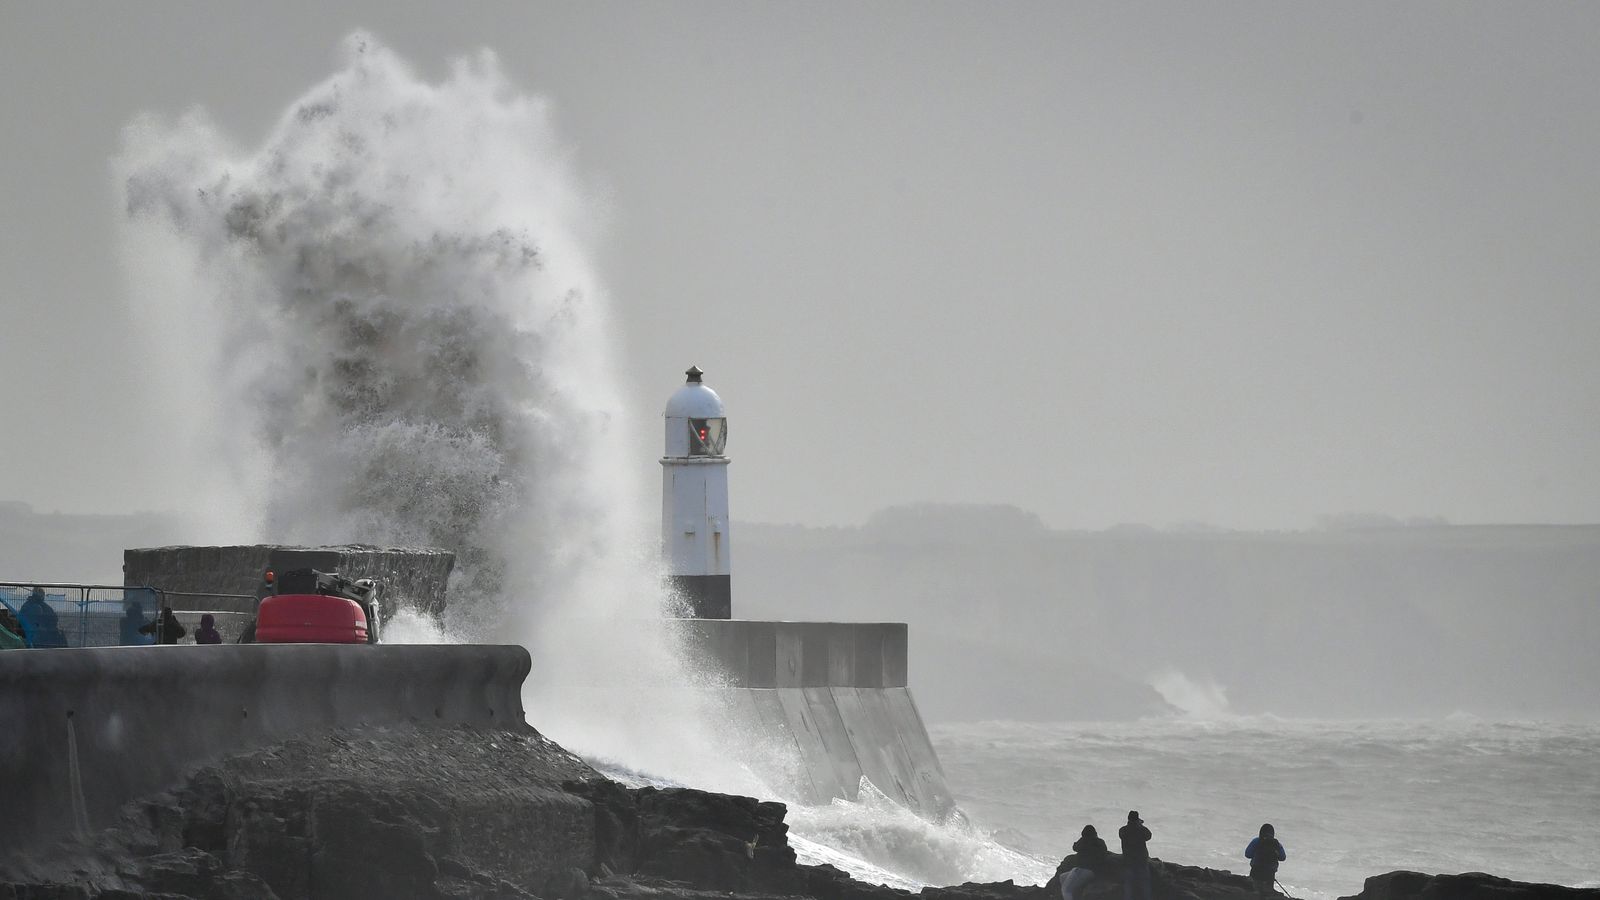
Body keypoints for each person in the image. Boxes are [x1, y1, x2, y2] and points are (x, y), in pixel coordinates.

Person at [1057, 824, 1109, 900]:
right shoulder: (1100, 842)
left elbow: (1075, 847)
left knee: (1066, 890)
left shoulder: (1084, 840)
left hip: (1082, 869)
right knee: (1062, 877)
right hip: (1093, 871)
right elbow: (1104, 853)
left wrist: (1081, 840)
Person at [1244, 823, 1286, 898]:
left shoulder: (1256, 841)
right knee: (1267, 895)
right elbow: (1283, 857)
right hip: (1270, 873)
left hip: (1256, 870)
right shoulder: (1277, 844)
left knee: (1253, 894)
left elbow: (1247, 854)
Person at [1119, 810, 1153, 900]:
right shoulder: (1141, 829)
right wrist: (1140, 824)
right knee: (1145, 885)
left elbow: (1123, 834)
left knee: (1128, 885)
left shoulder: (1123, 830)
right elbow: (1149, 835)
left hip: (1128, 861)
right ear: (1137, 819)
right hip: (1141, 861)